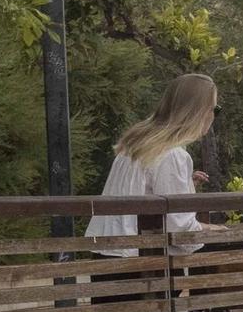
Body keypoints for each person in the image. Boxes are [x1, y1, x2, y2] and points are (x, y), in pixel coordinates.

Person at [86, 73, 225, 257]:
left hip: (108, 251)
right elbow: (180, 230)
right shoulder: (173, 154)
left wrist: (185, 183)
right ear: (200, 111)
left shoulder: (134, 143)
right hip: (142, 262)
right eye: (214, 109)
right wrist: (210, 229)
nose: (213, 115)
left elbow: (140, 189)